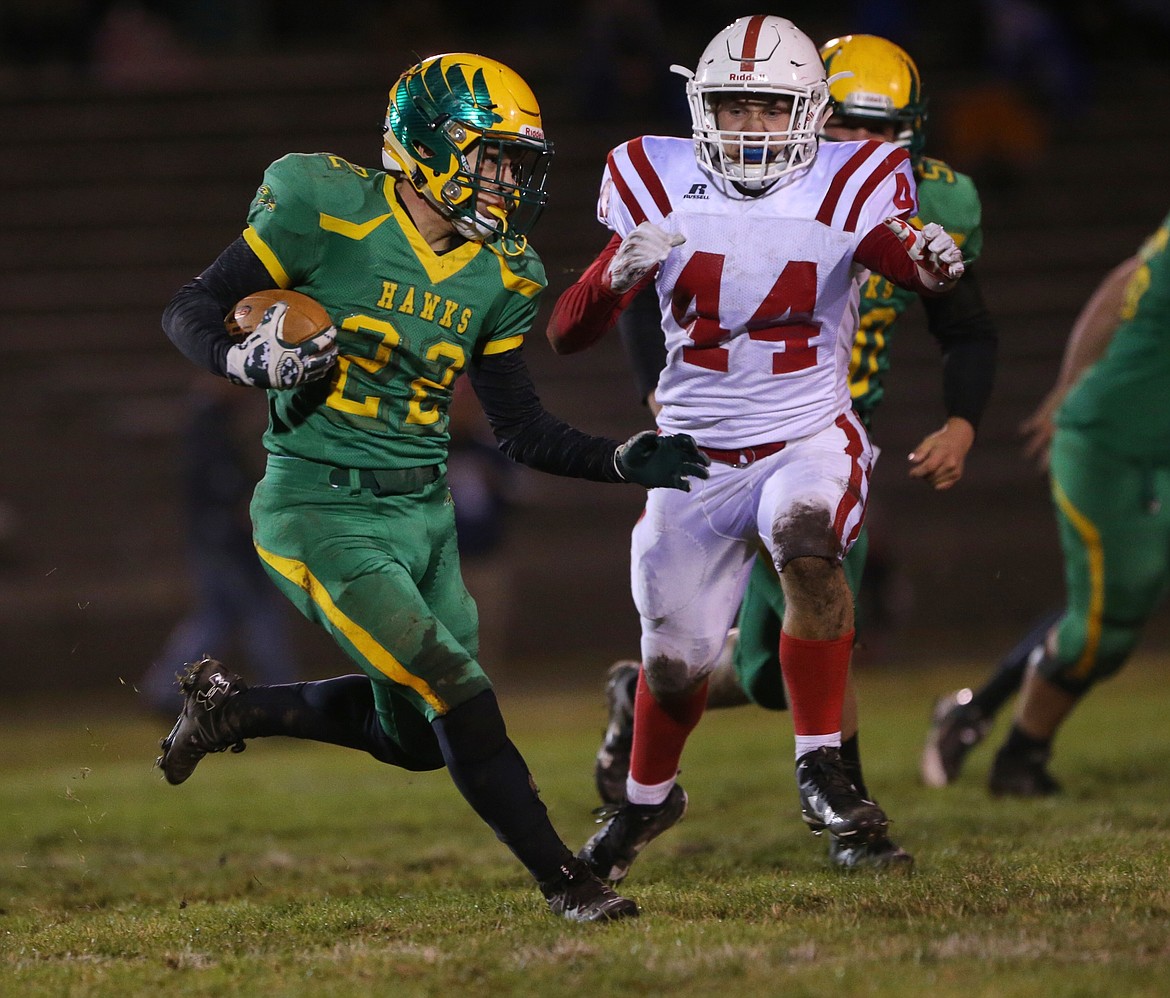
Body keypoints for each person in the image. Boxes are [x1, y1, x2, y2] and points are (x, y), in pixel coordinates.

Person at [153, 51, 710, 924]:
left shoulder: (504, 272)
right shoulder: (321, 206)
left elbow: (521, 427)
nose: (507, 179)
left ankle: (231, 714)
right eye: (492, 156)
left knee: (415, 739)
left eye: (517, 162)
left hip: (425, 513)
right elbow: (188, 305)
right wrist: (239, 358)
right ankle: (569, 882)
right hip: (318, 506)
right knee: (454, 684)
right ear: (428, 144)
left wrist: (613, 458)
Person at [545, 15, 965, 884]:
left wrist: (928, 258)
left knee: (810, 553)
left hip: (805, 435)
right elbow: (565, 334)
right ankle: (649, 801)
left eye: (769, 108)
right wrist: (615, 273)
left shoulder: (853, 180)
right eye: (733, 107)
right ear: (703, 108)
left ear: (809, 112)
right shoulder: (651, 176)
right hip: (693, 456)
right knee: (673, 667)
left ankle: (822, 768)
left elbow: (900, 261)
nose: (750, 127)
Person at [922, 209, 1170, 796]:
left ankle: (978, 710)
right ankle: (1019, 757)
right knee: (1106, 619)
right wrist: (1067, 388)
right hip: (1113, 444)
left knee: (1116, 593)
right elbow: (1122, 285)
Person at [139, 374, 301, 714]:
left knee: (217, 616)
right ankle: (285, 694)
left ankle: (163, 690)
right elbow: (218, 483)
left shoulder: (209, 420)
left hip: (213, 537)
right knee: (260, 613)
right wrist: (244, 511)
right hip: (225, 540)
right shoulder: (207, 424)